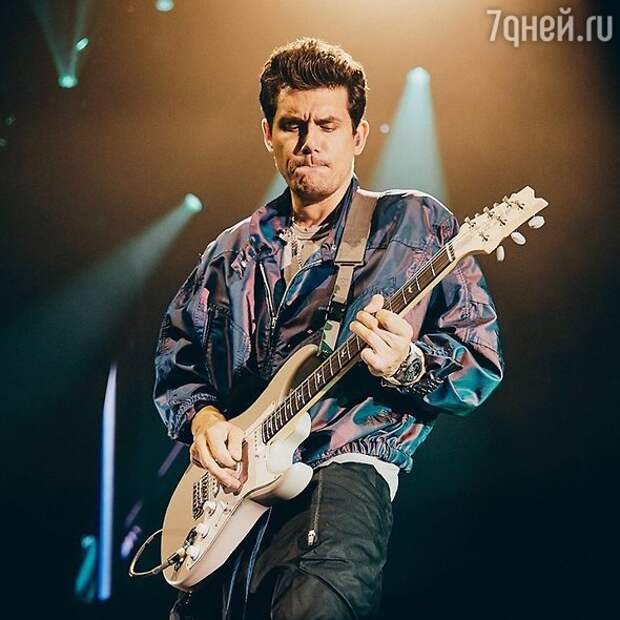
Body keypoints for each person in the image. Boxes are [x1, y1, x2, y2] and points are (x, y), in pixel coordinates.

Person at [154, 37, 503, 620]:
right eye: (291, 125)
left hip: (341, 473)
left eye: (328, 125)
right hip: (232, 493)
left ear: (358, 135)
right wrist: (205, 421)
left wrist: (408, 363)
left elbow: (479, 360)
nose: (309, 142)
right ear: (267, 134)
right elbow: (178, 362)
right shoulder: (231, 252)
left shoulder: (413, 224)